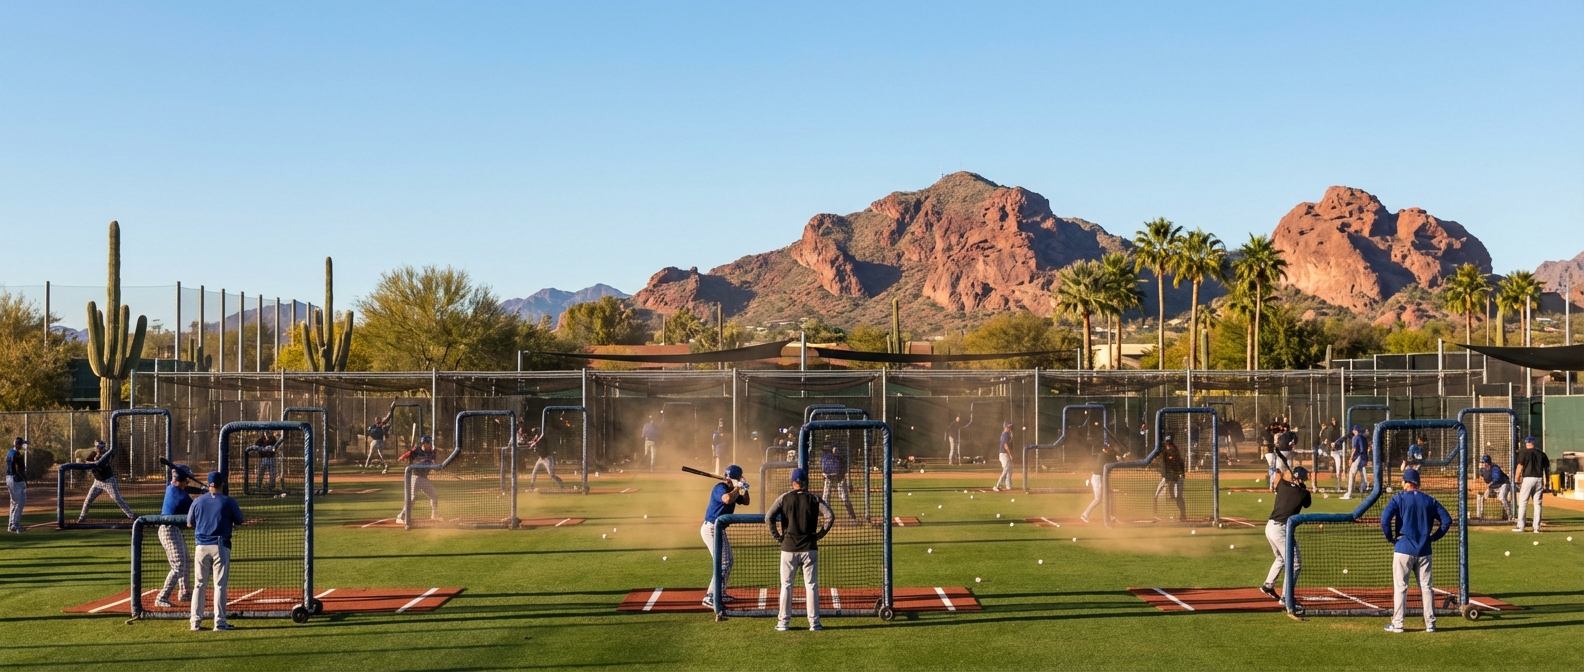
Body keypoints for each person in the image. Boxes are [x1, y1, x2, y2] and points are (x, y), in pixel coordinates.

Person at [1380, 468, 1451, 633]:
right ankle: (1430, 624)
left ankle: (1398, 624)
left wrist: (1391, 538)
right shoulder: (1429, 500)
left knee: (1401, 587)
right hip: (1424, 550)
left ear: (1406, 482)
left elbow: (1384, 519)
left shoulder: (1398, 498)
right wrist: (1433, 537)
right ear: (1418, 483)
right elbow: (1447, 521)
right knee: (1426, 587)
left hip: (1403, 548)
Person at [766, 468, 833, 632]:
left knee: (786, 585)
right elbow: (829, 516)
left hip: (788, 548)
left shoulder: (784, 498)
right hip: (810, 547)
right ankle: (814, 623)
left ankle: (783, 623)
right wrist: (820, 535)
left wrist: (778, 537)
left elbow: (769, 517)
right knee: (811, 586)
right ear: (806, 482)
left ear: (792, 482)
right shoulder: (814, 499)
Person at [188, 471, 244, 631]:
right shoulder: (228, 501)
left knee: (199, 584)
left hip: (201, 547)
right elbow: (240, 520)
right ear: (222, 485)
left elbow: (189, 523)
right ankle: (219, 623)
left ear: (208, 484)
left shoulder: (197, 501)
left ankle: (195, 623)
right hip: (220, 546)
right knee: (219, 586)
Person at [700, 465, 749, 609]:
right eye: (739, 477)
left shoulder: (732, 489)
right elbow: (727, 499)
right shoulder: (720, 487)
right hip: (711, 528)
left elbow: (745, 501)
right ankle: (710, 596)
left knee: (728, 561)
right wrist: (737, 488)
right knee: (724, 561)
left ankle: (720, 592)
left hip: (718, 529)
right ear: (735, 478)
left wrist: (745, 489)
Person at [1260, 466, 1311, 602]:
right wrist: (1302, 487)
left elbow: (1283, 477)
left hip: (1270, 527)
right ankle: (1286, 597)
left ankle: (1268, 585)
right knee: (1295, 563)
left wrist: (1296, 482)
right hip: (1281, 530)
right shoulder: (1304, 494)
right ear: (1301, 478)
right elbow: (1307, 504)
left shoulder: (1282, 485)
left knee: (1281, 558)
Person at [155, 465, 202, 608]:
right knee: (178, 565)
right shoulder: (181, 497)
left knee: (185, 560)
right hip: (168, 531)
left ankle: (185, 593)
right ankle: (161, 597)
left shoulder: (173, 488)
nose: (188, 482)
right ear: (182, 479)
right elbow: (194, 510)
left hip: (173, 529)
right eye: (187, 479)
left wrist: (202, 490)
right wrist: (208, 494)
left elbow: (187, 490)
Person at [77, 440, 135, 522]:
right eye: (98, 447)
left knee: (117, 499)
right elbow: (87, 462)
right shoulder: (93, 454)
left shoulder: (106, 455)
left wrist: (88, 461)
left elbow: (98, 464)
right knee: (88, 500)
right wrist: (81, 462)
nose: (99, 449)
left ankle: (131, 516)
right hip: (97, 482)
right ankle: (82, 518)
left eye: (101, 448)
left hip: (109, 481)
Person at [396, 435, 440, 525]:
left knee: (434, 496)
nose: (430, 444)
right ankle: (401, 517)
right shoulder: (416, 451)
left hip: (424, 478)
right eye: (428, 443)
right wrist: (405, 457)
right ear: (424, 443)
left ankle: (434, 515)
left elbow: (433, 462)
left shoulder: (432, 452)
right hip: (415, 477)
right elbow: (404, 457)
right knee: (412, 499)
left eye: (430, 442)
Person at [1512, 436, 1550, 533]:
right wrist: (1547, 481)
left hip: (1528, 479)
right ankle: (1536, 528)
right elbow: (1546, 469)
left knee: (1523, 502)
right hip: (1539, 479)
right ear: (1534, 443)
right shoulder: (1542, 454)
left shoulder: (1523, 453)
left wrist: (1516, 479)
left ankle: (1520, 526)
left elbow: (1520, 466)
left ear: (1526, 443)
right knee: (1537, 504)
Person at [1080, 443, 1117, 523]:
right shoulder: (1102, 455)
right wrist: (1119, 458)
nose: (1108, 450)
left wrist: (1119, 458)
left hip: (1102, 478)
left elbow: (1112, 461)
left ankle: (1111, 516)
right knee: (1098, 499)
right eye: (1107, 448)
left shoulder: (1107, 456)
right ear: (1104, 449)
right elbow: (1112, 461)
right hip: (1097, 478)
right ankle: (1085, 515)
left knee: (1110, 496)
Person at [820, 444, 858, 520]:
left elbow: (844, 473)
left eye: (836, 450)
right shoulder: (827, 458)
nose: (835, 451)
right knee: (825, 498)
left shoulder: (841, 460)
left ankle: (853, 517)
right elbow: (823, 470)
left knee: (844, 498)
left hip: (840, 479)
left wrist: (848, 482)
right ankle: (826, 516)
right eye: (834, 450)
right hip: (829, 479)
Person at [1153, 437, 1187, 521]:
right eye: (1167, 443)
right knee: (1156, 495)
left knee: (1178, 496)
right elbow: (1160, 461)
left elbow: (1174, 462)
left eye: (1169, 444)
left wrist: (1182, 474)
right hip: (1166, 477)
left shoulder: (1174, 451)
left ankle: (1183, 515)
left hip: (1177, 478)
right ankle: (1155, 515)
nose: (1168, 445)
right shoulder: (1164, 451)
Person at [1475, 455, 1511, 520]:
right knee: (1480, 497)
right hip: (1492, 487)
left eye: (1484, 462)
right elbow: (1482, 478)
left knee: (1502, 498)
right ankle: (1479, 516)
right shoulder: (1482, 470)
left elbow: (1496, 479)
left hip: (1503, 485)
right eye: (1482, 462)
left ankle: (1510, 515)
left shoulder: (1495, 468)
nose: (1482, 464)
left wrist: (1488, 485)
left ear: (1488, 463)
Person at [1342, 426, 1369, 500]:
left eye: (1353, 430)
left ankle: (1349, 493)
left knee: (1351, 474)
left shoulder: (1355, 437)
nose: (1352, 431)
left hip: (1358, 457)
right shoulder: (1363, 438)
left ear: (1355, 430)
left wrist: (1351, 458)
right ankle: (1363, 489)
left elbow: (1354, 449)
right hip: (1364, 457)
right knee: (1363, 475)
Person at [6, 438, 25, 533]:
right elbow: (16, 467)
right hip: (15, 479)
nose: (22, 446)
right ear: (17, 444)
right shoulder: (15, 454)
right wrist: (22, 476)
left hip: (9, 478)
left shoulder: (10, 452)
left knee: (14, 502)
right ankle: (14, 525)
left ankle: (11, 524)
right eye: (21, 444)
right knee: (19, 501)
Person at [1321, 418, 1344, 490]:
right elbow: (1325, 439)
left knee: (1340, 468)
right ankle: (1338, 486)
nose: (1334, 422)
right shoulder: (1329, 429)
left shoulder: (1340, 429)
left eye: (1335, 420)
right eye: (1332, 420)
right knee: (1337, 468)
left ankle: (1339, 485)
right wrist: (1330, 444)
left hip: (1340, 450)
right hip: (1333, 452)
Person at [991, 422, 1013, 491]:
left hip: (1004, 454)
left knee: (1009, 470)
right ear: (1005, 427)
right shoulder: (1005, 434)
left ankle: (1008, 486)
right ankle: (997, 485)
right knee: (1006, 469)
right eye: (1008, 427)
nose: (1010, 428)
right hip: (1004, 454)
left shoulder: (1005, 434)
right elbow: (1005, 445)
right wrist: (1010, 454)